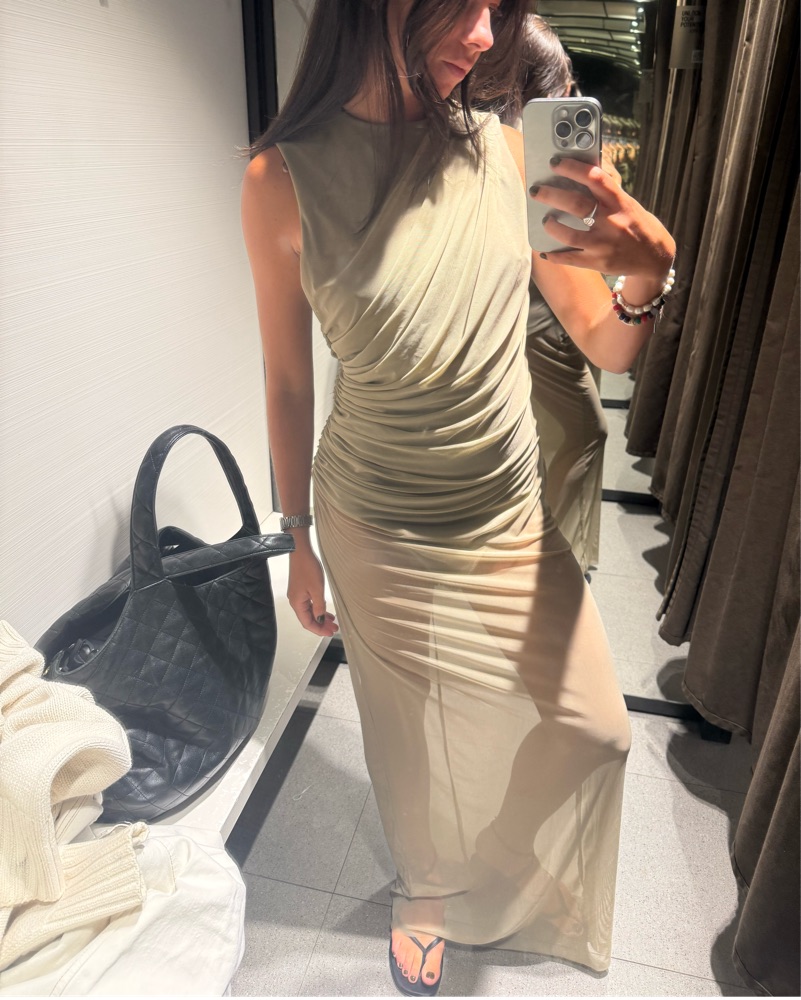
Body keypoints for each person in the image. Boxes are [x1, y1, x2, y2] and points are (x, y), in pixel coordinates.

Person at [240, 0, 676, 994]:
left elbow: (604, 341)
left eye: (496, 9)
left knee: (596, 730)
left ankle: (485, 858)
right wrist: (296, 534)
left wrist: (644, 277)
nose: (485, 37)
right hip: (375, 522)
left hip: (506, 515)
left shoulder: (513, 152)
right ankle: (428, 888)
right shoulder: (281, 179)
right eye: (461, 4)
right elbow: (289, 380)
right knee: (414, 735)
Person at [498, 15, 609, 575]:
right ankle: (561, 564)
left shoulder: (485, 151)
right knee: (583, 432)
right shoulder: (514, 155)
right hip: (538, 314)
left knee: (547, 436)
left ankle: (557, 559)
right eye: (563, 91)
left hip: (543, 309)